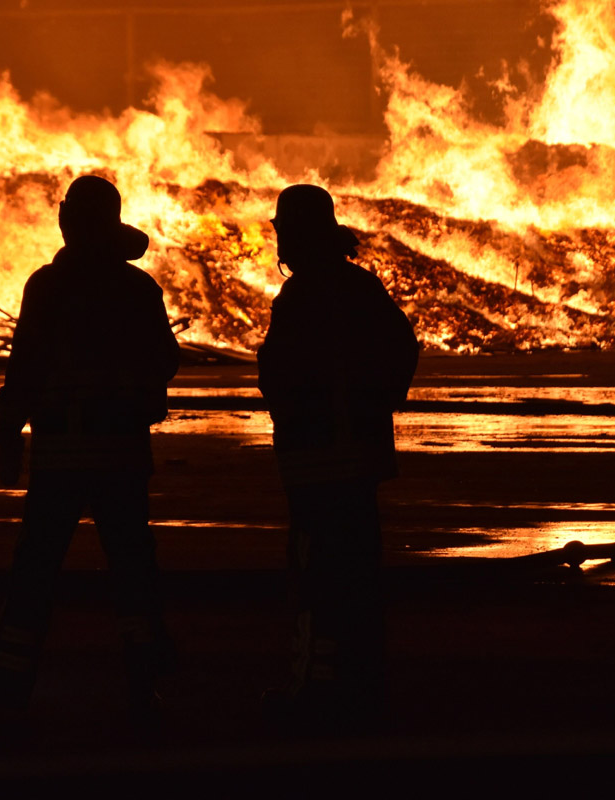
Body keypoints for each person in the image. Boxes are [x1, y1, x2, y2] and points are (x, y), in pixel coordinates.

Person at [0, 176, 180, 721]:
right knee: (131, 566)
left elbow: (25, 366)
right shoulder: (138, 289)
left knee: (37, 568)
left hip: (59, 455)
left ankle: (9, 681)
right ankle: (145, 682)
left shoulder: (49, 286)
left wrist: (8, 431)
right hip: (123, 454)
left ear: (67, 219)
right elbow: (165, 359)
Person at [257, 184, 419, 729]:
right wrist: (377, 406)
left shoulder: (300, 297)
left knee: (314, 578)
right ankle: (364, 686)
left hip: (313, 463)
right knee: (359, 575)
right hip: (361, 461)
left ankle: (314, 690)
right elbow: (402, 347)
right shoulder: (360, 287)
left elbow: (279, 375)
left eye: (284, 229)